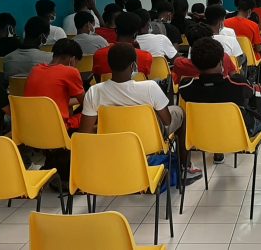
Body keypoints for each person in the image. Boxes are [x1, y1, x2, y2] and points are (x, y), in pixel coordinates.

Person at [81, 42, 201, 181]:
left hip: (112, 141)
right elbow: (167, 121)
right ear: (133, 66)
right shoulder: (149, 87)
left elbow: (85, 132)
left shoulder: (94, 91)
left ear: (110, 65)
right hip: (149, 141)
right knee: (180, 112)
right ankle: (185, 167)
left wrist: (107, 126)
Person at [180, 37, 261, 165]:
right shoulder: (237, 83)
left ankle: (218, 155)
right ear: (221, 61)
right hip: (237, 137)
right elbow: (251, 93)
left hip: (201, 138)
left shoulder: (185, 87)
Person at [24, 38, 85, 129]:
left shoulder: (35, 70)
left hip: (30, 126)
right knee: (92, 115)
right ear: (72, 59)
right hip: (57, 128)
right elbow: (86, 103)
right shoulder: (70, 72)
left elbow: (50, 100)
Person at [224, 0, 261, 83]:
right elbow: (258, 48)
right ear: (249, 11)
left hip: (232, 58)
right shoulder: (253, 25)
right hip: (250, 58)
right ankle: (259, 81)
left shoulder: (226, 23)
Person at [92, 12, 153, 79]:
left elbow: (97, 80)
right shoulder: (146, 56)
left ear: (116, 31)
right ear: (135, 34)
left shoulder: (98, 54)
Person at [173, 23, 239, 85]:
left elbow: (176, 84)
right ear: (211, 40)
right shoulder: (224, 57)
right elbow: (234, 78)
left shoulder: (179, 63)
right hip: (222, 92)